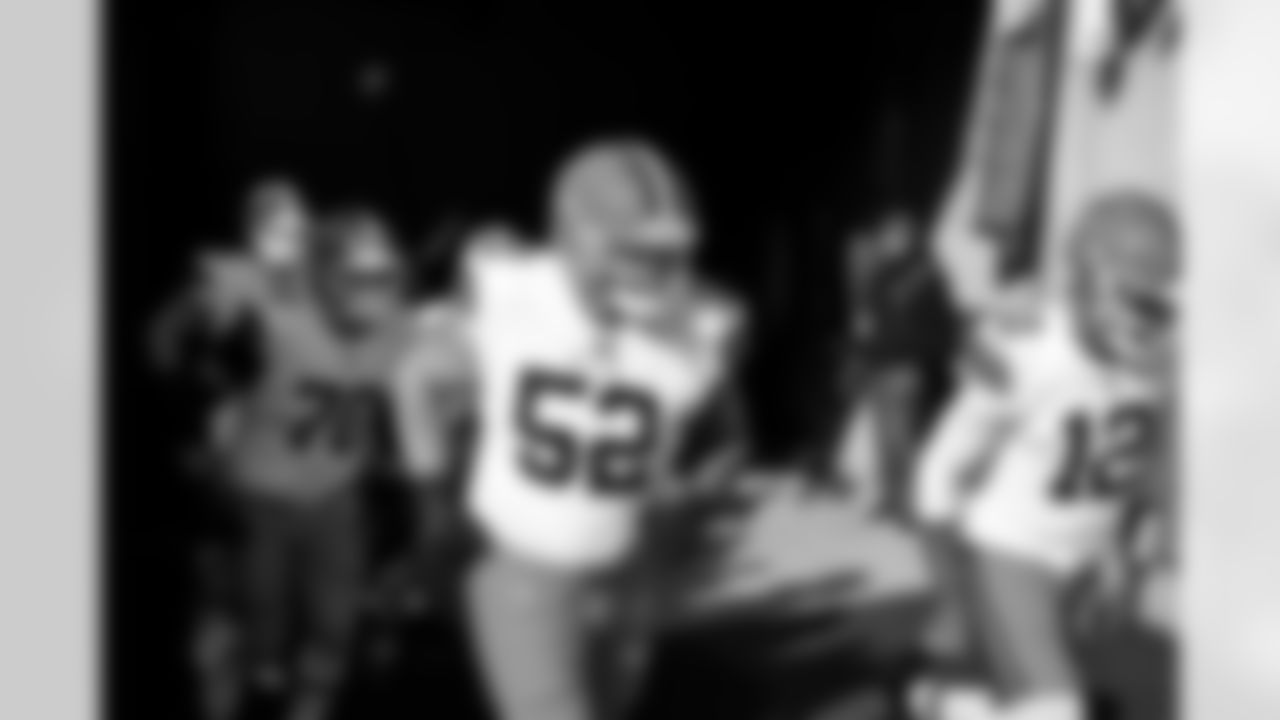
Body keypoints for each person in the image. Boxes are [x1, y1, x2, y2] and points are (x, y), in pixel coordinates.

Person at [392, 137, 746, 720]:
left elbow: (723, 436)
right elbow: (416, 377)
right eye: (636, 252)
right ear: (577, 236)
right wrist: (431, 508)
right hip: (522, 564)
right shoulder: (514, 298)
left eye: (669, 252)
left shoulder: (701, 327)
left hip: (623, 565)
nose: (658, 272)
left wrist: (685, 491)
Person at [910, 190, 1178, 720]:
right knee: (1057, 707)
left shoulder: (1163, 358)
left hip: (1081, 560)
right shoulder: (1028, 346)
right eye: (1132, 294)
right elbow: (939, 469)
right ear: (1084, 279)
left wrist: (1125, 554)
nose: (1148, 315)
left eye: (1159, 297)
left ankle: (940, 704)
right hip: (1012, 553)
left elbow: (1140, 471)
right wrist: (952, 583)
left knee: (1027, 692)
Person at [219, 207, 415, 720]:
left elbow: (433, 363)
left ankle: (315, 686)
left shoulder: (397, 326)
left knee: (337, 612)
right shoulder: (275, 319)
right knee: (265, 603)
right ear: (324, 276)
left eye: (385, 274)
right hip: (265, 491)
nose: (376, 288)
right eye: (360, 275)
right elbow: (207, 330)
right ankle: (262, 666)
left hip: (337, 492)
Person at [148, 177, 312, 720]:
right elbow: (165, 348)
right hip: (221, 488)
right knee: (221, 610)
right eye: (272, 221)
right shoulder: (220, 293)